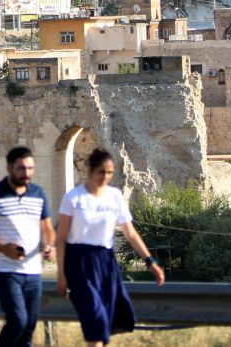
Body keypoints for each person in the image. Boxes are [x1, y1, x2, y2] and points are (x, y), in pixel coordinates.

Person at [56, 148, 165, 347]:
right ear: (90, 170)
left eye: (109, 173)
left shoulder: (114, 196)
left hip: (106, 263)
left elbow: (130, 233)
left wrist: (151, 262)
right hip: (78, 264)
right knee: (96, 321)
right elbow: (61, 238)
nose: (105, 177)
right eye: (101, 172)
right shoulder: (73, 198)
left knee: (106, 323)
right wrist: (61, 275)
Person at [0, 147, 55, 347]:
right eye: (21, 168)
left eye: (30, 168)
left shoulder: (38, 194)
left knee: (28, 331)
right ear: (9, 168)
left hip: (33, 272)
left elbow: (48, 228)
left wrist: (50, 246)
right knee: (18, 321)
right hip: (4, 272)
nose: (26, 173)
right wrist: (4, 249)